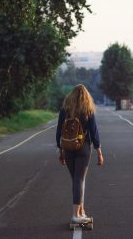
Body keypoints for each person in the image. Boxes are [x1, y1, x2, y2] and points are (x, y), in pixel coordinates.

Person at [56, 84, 104, 224]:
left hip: (67, 148)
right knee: (79, 180)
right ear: (86, 97)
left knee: (76, 180)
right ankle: (75, 215)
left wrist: (60, 151)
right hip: (83, 148)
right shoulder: (87, 110)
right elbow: (94, 133)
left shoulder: (65, 110)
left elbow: (59, 132)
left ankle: (81, 211)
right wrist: (99, 152)